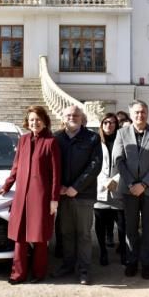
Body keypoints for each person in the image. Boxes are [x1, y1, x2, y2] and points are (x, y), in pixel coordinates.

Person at [0, 105, 61, 285]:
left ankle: (39, 273)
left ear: (45, 122)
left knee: (39, 237)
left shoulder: (51, 142)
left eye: (38, 119)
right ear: (27, 122)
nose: (34, 123)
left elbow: (56, 174)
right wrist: (6, 186)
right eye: (32, 120)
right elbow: (15, 167)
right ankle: (18, 274)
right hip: (21, 195)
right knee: (19, 237)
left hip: (41, 197)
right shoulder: (22, 140)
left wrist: (54, 199)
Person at [113, 99, 149, 280]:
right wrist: (131, 184)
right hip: (128, 190)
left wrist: (143, 184)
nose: (140, 115)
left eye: (143, 111)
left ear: (147, 113)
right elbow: (118, 160)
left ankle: (146, 264)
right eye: (136, 112)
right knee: (130, 228)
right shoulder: (121, 133)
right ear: (131, 114)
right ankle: (131, 261)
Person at [51, 105, 101, 285]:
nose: (72, 117)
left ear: (82, 118)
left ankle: (84, 270)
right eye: (69, 115)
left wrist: (76, 187)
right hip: (63, 195)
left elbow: (95, 165)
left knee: (84, 234)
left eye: (76, 115)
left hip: (83, 195)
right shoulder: (56, 138)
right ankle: (68, 264)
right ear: (63, 118)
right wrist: (60, 187)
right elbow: (52, 165)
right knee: (66, 233)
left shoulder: (92, 138)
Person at [94, 112, 126, 267]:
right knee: (100, 224)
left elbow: (127, 163)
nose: (109, 125)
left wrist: (116, 179)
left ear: (116, 124)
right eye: (106, 122)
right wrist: (103, 180)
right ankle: (103, 252)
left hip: (118, 188)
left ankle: (124, 252)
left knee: (121, 224)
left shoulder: (122, 141)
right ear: (101, 124)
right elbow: (92, 164)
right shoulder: (95, 141)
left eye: (112, 122)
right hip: (100, 189)